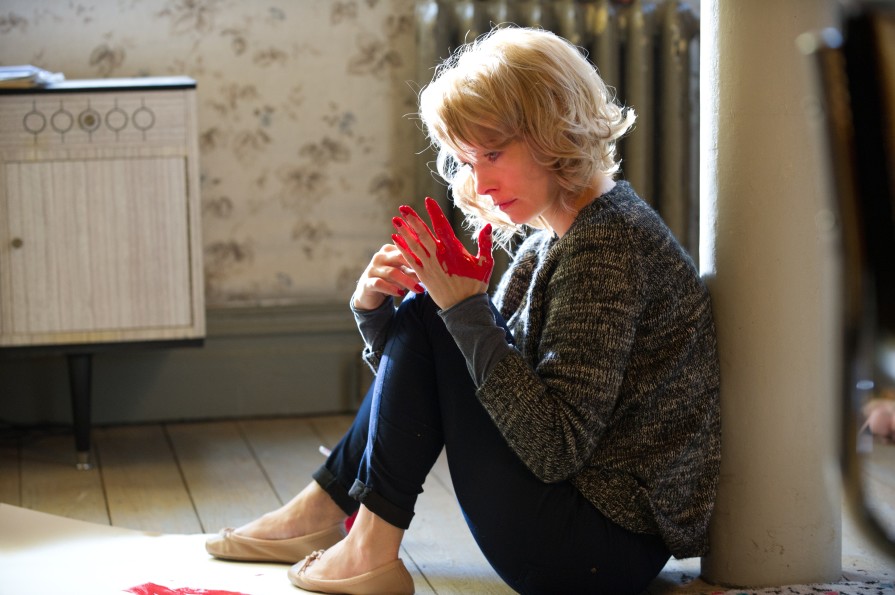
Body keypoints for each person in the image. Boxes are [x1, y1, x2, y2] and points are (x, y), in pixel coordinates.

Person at [206, 26, 721, 595]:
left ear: (555, 129)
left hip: (595, 549)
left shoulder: (607, 244)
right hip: (585, 530)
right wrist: (376, 315)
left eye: (493, 154)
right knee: (435, 315)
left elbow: (553, 447)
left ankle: (358, 539)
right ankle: (329, 512)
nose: (480, 183)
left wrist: (461, 310)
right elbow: (450, 390)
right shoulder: (556, 237)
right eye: (467, 161)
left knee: (439, 314)